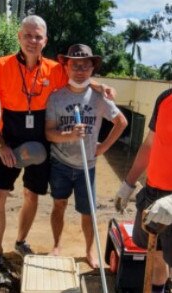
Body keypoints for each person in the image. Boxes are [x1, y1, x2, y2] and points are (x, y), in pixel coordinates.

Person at [0, 15, 116, 277]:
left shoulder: (54, 69)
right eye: (28, 35)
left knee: (32, 194)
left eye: (38, 36)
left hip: (42, 142)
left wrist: (101, 86)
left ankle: (20, 241)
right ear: (19, 36)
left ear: (45, 41)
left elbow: (80, 77)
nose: (32, 40)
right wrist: (0, 145)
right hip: (11, 141)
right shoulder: (0, 66)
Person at [45, 44, 127, 268]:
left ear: (92, 68)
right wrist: (69, 134)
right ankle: (56, 245)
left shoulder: (100, 98)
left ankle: (90, 252)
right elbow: (49, 133)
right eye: (75, 65)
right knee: (58, 205)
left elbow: (121, 122)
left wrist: (102, 148)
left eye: (85, 66)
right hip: (61, 163)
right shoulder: (56, 98)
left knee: (88, 212)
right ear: (67, 67)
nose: (80, 70)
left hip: (87, 166)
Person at [114, 88, 172, 293]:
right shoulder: (165, 98)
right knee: (155, 255)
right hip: (152, 194)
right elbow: (149, 143)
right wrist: (128, 183)